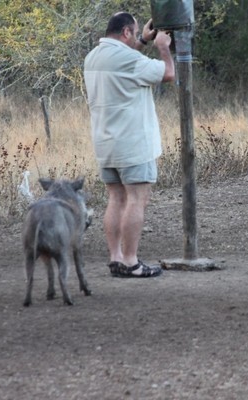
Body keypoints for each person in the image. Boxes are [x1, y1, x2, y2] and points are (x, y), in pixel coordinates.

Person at [84, 12, 175, 278]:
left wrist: (143, 42)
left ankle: (116, 257)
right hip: (133, 143)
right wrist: (162, 48)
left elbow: (125, 60)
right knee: (137, 199)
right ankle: (132, 261)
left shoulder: (93, 57)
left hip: (105, 142)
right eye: (135, 33)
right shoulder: (129, 59)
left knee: (116, 198)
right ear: (126, 32)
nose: (137, 37)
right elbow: (168, 74)